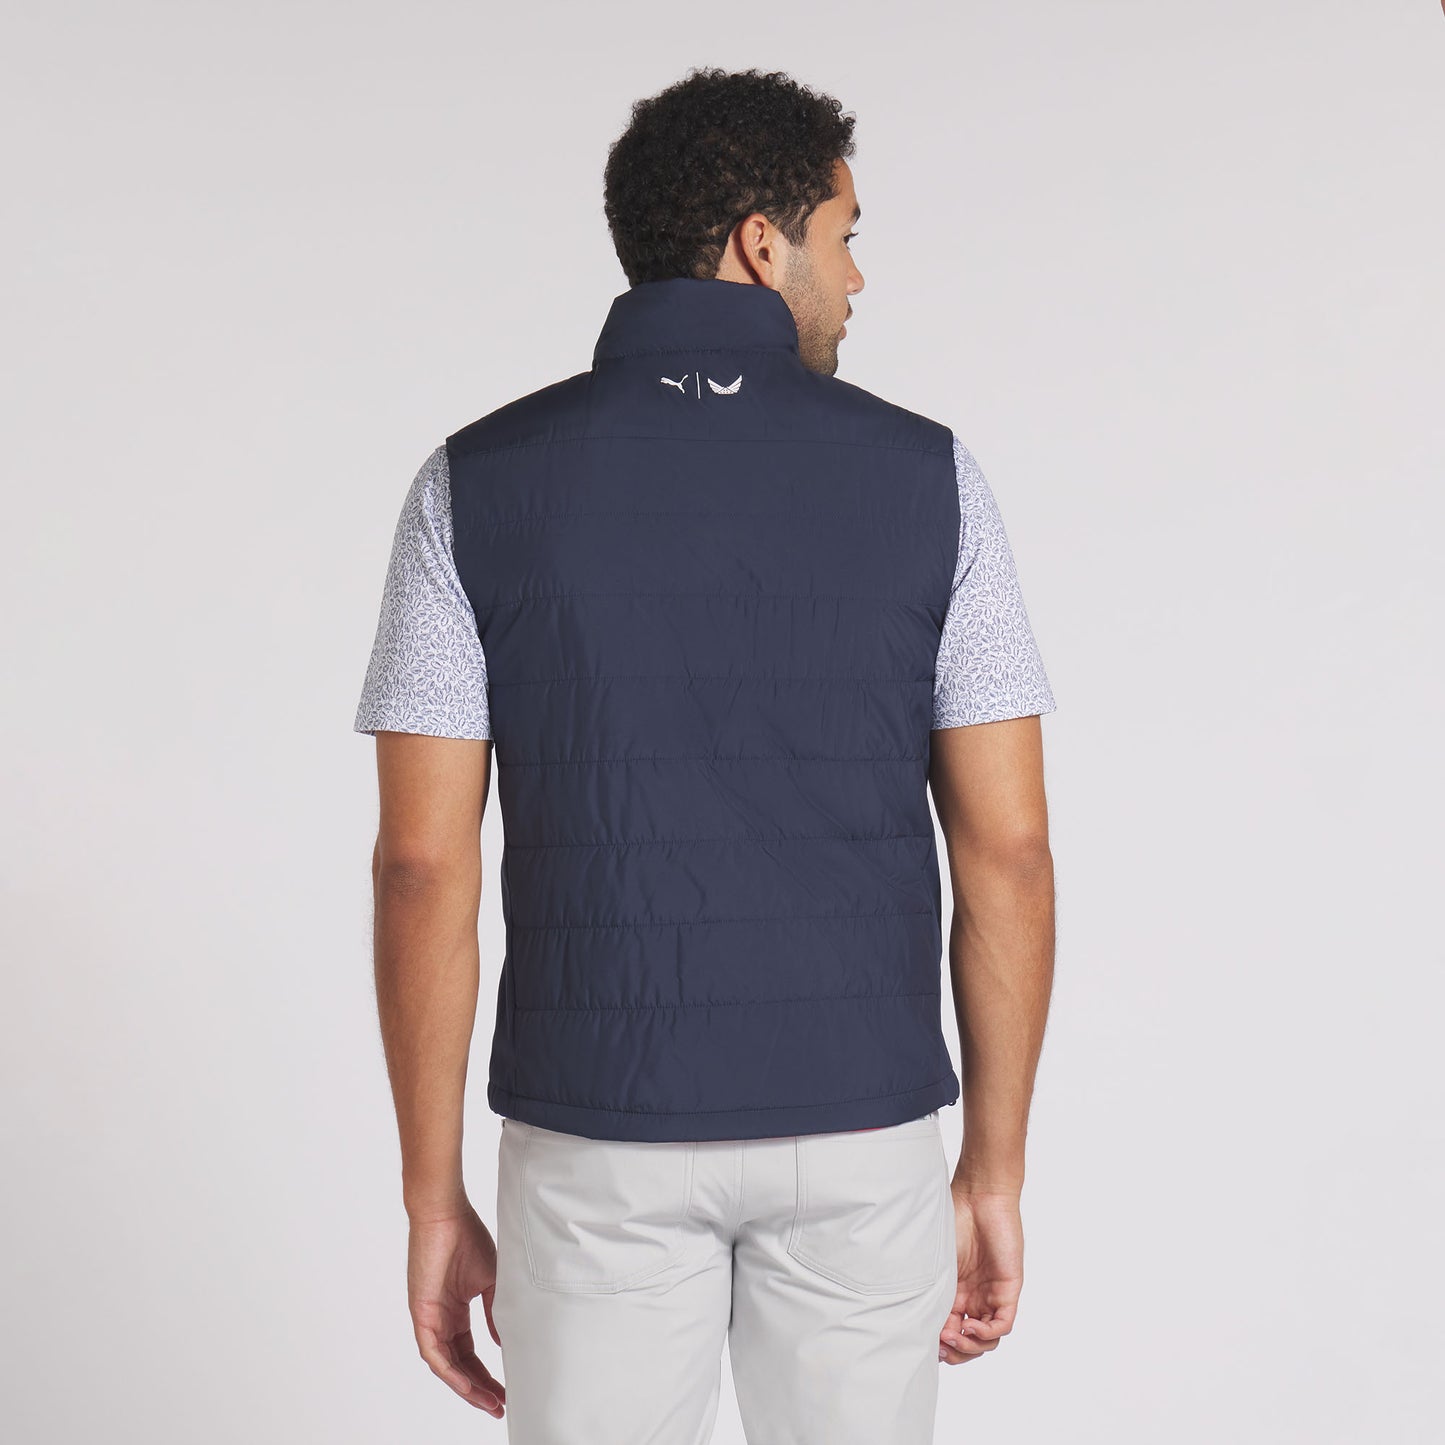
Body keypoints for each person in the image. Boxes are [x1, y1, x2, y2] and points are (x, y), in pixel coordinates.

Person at [355, 64, 1057, 1445]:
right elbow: (1011, 850)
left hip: (595, 1131)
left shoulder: (470, 484)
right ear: (759, 242)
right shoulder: (932, 480)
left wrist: (433, 1198)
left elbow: (421, 866)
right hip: (858, 1129)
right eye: (843, 235)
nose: (856, 278)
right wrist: (992, 1166)